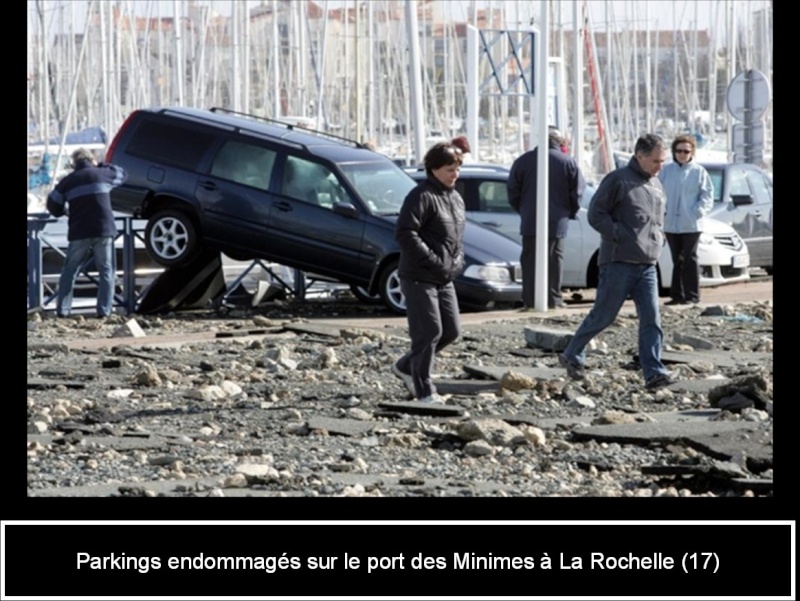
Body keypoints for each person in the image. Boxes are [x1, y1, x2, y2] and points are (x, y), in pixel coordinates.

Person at [558, 133, 674, 391]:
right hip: (618, 262)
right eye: (656, 161)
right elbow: (596, 214)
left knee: (652, 318)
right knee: (604, 315)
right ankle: (573, 352)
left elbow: (657, 218)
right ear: (639, 156)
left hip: (647, 265)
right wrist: (619, 235)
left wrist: (660, 238)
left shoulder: (656, 184)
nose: (660, 166)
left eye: (662, 161)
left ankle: (654, 373)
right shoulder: (618, 180)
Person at [392, 142, 466, 403]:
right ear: (434, 169)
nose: (455, 174)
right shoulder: (420, 195)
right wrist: (434, 260)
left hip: (445, 277)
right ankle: (424, 391)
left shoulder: (455, 198)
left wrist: (458, 262)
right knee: (429, 332)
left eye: (457, 169)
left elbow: (456, 238)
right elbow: (405, 232)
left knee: (451, 331)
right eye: (450, 169)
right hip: (418, 275)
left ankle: (404, 367)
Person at [507, 127, 586, 309]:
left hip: (530, 220)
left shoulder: (523, 161)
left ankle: (529, 300)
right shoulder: (567, 162)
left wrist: (525, 210)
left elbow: (512, 192)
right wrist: (568, 212)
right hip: (557, 220)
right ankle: (553, 299)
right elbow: (577, 193)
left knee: (529, 260)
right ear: (561, 143)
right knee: (554, 260)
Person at [46, 148, 127, 318]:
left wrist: (64, 211)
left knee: (70, 270)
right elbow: (122, 173)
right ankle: (104, 311)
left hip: (79, 230)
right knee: (106, 271)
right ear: (92, 160)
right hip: (103, 229)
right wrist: (101, 164)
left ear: (74, 163)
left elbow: (53, 205)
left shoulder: (68, 181)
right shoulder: (103, 174)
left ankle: (63, 310)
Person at [658, 134, 714, 305]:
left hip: (691, 224)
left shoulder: (699, 172)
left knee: (690, 258)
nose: (682, 154)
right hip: (670, 224)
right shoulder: (666, 171)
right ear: (674, 152)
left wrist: (697, 211)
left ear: (692, 152)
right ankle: (677, 295)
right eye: (679, 150)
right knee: (677, 259)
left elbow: (708, 195)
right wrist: (662, 213)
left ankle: (692, 295)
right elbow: (657, 191)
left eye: (686, 151)